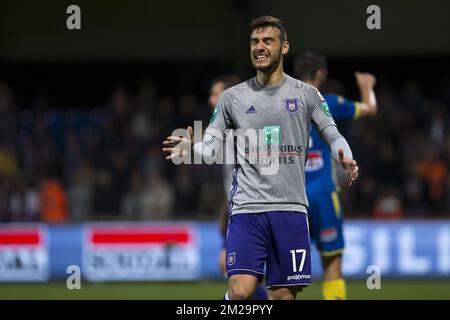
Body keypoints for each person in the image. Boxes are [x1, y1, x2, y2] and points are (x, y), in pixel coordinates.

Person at [163, 16, 358, 300]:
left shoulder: (307, 95)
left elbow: (333, 135)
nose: (260, 47)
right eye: (255, 41)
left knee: (282, 297)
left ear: (285, 47)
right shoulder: (232, 98)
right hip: (246, 209)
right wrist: (191, 148)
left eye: (268, 40)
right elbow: (210, 148)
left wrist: (345, 156)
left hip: (291, 209)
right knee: (241, 291)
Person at [294, 51, 377, 300]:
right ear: (320, 74)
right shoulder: (327, 102)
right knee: (331, 263)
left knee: (287, 268)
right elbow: (370, 109)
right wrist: (367, 87)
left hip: (290, 198)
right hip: (323, 194)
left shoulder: (280, 102)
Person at [208, 75, 267, 300]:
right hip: (242, 218)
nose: (210, 99)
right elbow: (232, 186)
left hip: (260, 217)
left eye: (215, 94)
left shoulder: (247, 131)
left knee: (253, 289)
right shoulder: (223, 133)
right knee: (246, 289)